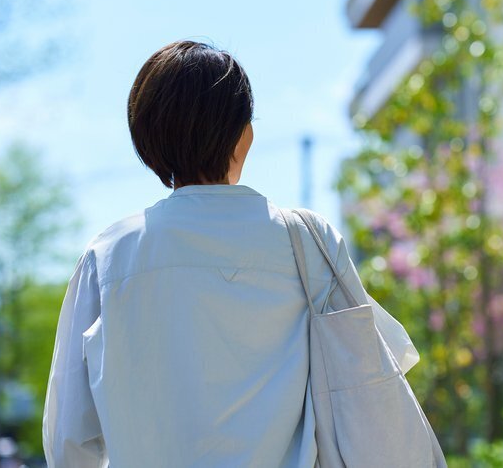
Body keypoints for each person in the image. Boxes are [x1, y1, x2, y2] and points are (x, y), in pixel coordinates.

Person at [42, 40, 419, 467]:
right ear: (245, 135)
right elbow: (371, 379)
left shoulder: (109, 256)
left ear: (147, 140)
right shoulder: (309, 242)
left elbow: (67, 441)